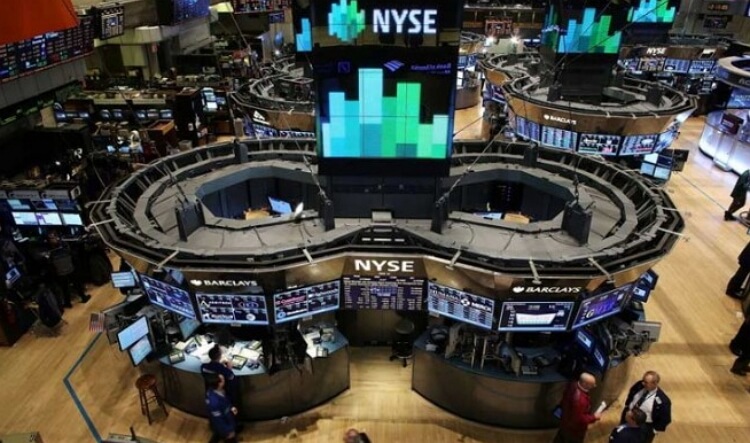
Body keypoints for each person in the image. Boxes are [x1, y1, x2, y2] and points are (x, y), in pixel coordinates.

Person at [620, 371, 671, 443]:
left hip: (644, 427)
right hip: (628, 418)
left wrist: (654, 430)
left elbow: (665, 419)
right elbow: (631, 394)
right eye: (643, 380)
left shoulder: (663, 401)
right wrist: (627, 406)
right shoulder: (639, 385)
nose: (643, 383)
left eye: (646, 382)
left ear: (654, 384)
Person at [553, 372, 602, 443]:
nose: (594, 386)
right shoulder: (581, 401)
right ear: (585, 384)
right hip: (574, 431)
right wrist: (594, 417)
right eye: (592, 384)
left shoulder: (572, 385)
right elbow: (579, 419)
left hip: (564, 422)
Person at [45, 230, 90, 308]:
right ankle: (71, 302)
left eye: (54, 237)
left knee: (73, 285)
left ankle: (80, 298)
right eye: (51, 238)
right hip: (63, 271)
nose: (53, 239)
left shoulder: (57, 247)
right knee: (67, 287)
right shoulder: (60, 246)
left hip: (67, 269)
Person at [205, 373, 238, 443]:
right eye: (223, 379)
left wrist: (231, 407)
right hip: (225, 427)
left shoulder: (217, 390)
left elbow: (225, 401)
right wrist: (229, 431)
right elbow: (219, 421)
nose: (224, 380)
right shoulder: (214, 403)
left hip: (227, 419)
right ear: (219, 384)